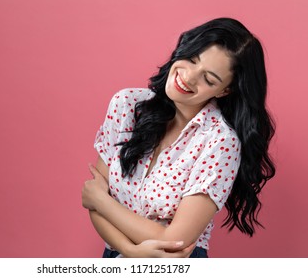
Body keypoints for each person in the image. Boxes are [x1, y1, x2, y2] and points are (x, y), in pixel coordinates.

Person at [82, 17, 275, 258]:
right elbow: (93, 199)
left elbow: (173, 240)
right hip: (114, 255)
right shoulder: (127, 105)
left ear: (225, 90)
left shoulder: (220, 141)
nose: (189, 77)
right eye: (192, 59)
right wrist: (129, 250)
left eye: (209, 79)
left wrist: (102, 201)